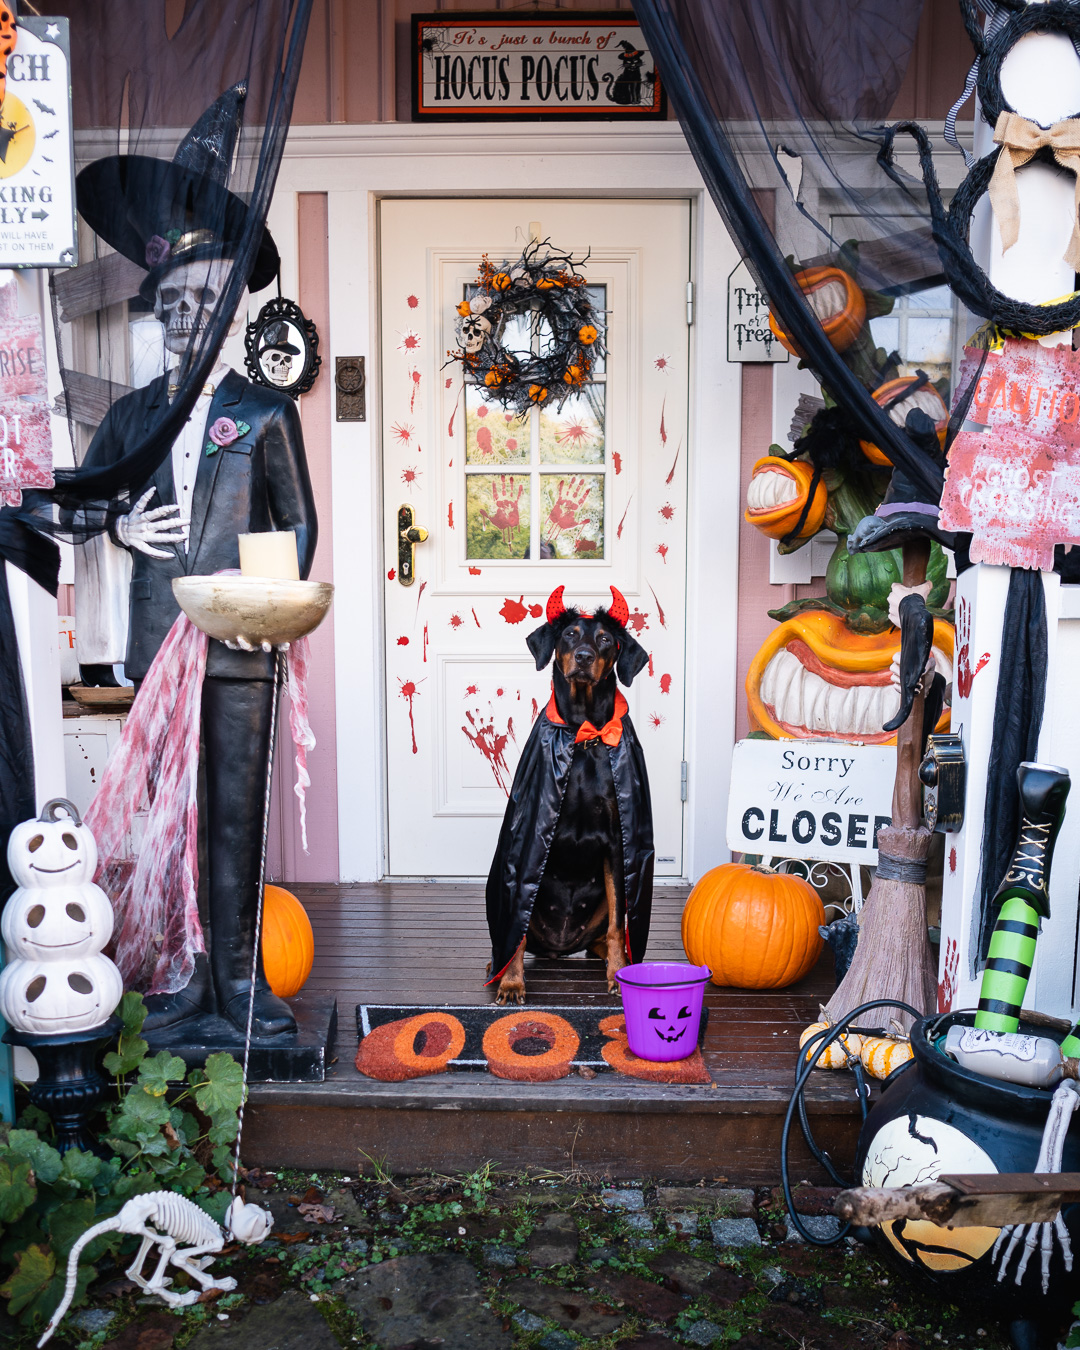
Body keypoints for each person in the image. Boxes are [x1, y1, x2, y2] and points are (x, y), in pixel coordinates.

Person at [74, 89, 317, 1036]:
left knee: (232, 818)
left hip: (237, 649)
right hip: (152, 641)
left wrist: (264, 601)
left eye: (203, 302)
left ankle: (242, 988)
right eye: (170, 303)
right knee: (164, 823)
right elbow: (92, 502)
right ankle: (182, 979)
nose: (185, 319)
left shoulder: (262, 411)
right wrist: (121, 529)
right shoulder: (135, 416)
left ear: (230, 309)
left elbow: (298, 528)